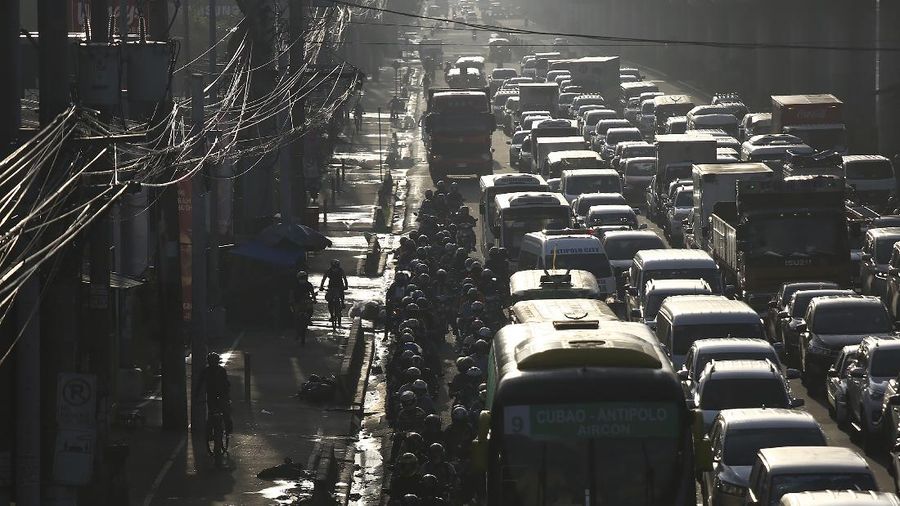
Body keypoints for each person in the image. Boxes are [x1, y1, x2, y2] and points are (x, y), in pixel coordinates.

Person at [196, 352, 233, 442]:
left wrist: (196, 396)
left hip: (212, 396)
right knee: (225, 413)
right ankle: (228, 430)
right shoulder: (221, 370)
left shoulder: (206, 371)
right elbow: (227, 384)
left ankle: (209, 434)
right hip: (221, 396)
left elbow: (199, 385)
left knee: (212, 415)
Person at [290, 270, 316, 345]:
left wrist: (314, 300)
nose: (303, 279)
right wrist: (291, 301)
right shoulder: (295, 285)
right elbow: (291, 294)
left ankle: (309, 319)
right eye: (302, 278)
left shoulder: (309, 285)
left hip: (306, 301)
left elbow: (312, 293)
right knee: (295, 316)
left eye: (304, 277)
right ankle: (297, 331)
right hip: (297, 302)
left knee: (310, 311)